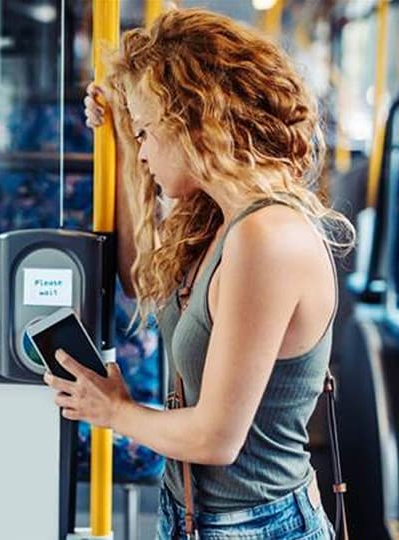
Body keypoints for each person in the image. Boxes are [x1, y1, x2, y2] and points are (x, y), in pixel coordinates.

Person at [42, 8, 354, 539]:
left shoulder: (266, 237)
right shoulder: (221, 220)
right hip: (192, 513)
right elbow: (142, 279)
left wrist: (113, 410)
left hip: (255, 527)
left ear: (189, 119)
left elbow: (216, 438)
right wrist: (120, 138)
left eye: (146, 133)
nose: (143, 153)